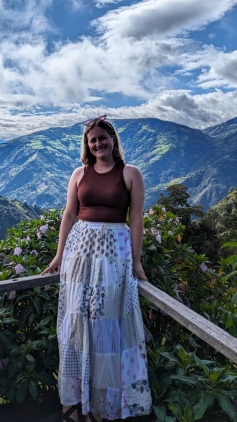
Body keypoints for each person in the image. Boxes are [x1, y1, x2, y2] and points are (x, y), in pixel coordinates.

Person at [42, 115, 152, 422]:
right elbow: (68, 215)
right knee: (77, 322)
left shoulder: (130, 173)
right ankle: (77, 402)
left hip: (114, 254)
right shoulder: (79, 174)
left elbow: (137, 219)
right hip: (80, 254)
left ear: (113, 140)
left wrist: (137, 260)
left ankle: (102, 406)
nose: (98, 143)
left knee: (107, 324)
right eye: (93, 140)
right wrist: (58, 256)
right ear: (87, 146)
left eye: (103, 138)